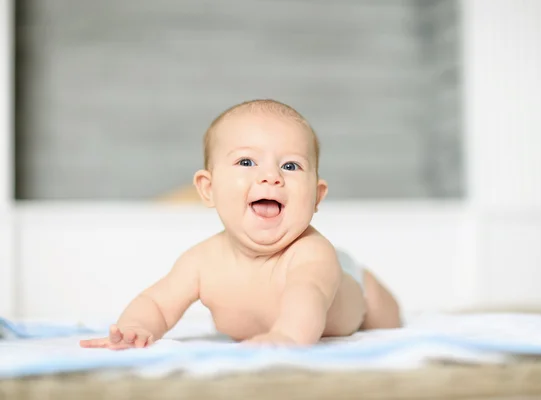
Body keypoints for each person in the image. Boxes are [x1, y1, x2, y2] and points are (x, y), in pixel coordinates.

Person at [80, 99, 401, 350]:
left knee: (390, 320)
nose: (270, 176)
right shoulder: (202, 261)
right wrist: (136, 327)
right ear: (208, 188)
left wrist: (287, 337)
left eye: (290, 165)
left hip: (351, 283)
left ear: (316, 196)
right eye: (246, 162)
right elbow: (157, 304)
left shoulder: (313, 254)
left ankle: (373, 291)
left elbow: (307, 297)